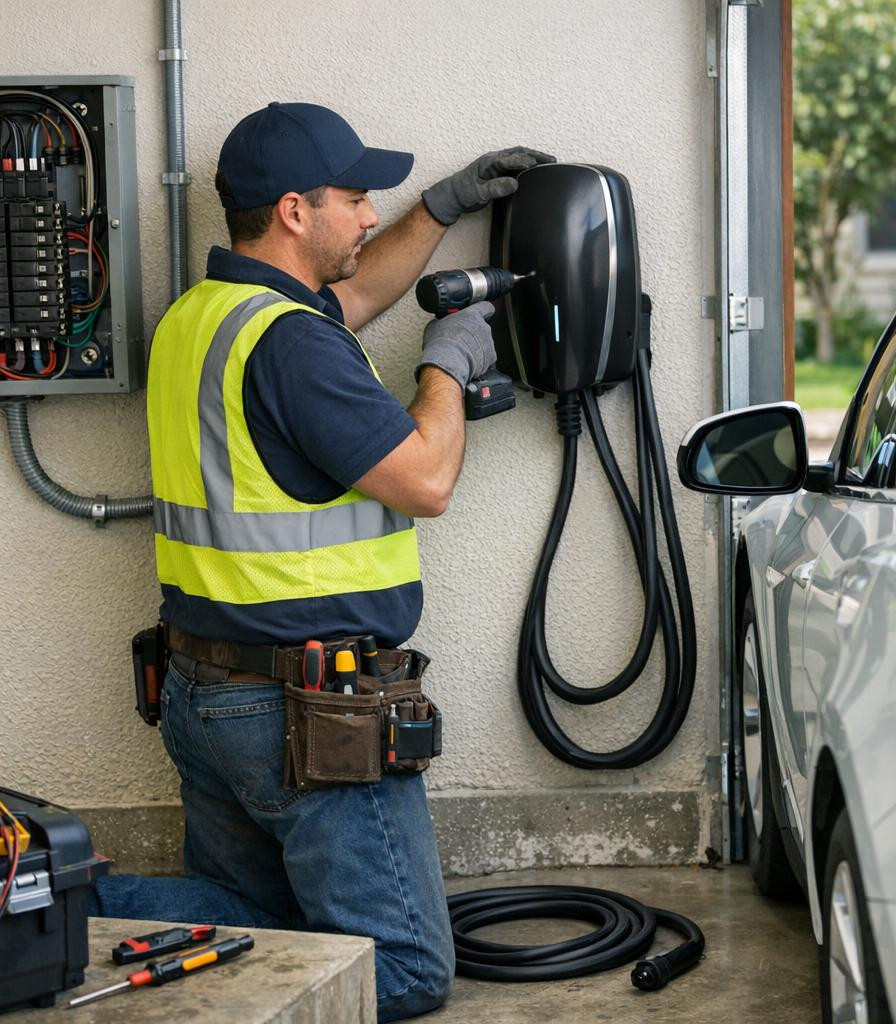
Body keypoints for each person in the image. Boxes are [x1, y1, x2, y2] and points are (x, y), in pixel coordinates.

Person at [91, 100, 553, 1021]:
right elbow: (423, 479)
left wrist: (442, 207)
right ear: (297, 211)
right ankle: (65, 906)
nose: (371, 214)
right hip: (302, 717)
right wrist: (445, 370)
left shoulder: (208, 316)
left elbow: (355, 297)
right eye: (357, 197)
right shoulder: (294, 344)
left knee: (262, 933)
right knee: (410, 968)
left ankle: (60, 907)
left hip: (204, 690)